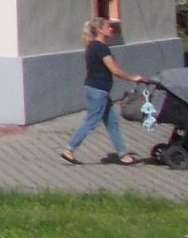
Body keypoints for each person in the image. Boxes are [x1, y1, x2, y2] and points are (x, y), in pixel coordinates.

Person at [62, 16, 150, 165]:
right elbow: (114, 69)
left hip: (95, 89)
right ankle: (69, 149)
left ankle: (123, 155)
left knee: (113, 122)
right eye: (108, 27)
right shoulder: (100, 48)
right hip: (98, 90)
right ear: (100, 30)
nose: (111, 29)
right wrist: (133, 77)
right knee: (91, 121)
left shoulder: (92, 46)